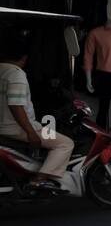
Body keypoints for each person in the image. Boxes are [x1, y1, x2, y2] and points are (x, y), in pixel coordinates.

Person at [0, 33, 74, 188]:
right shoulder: (16, 74)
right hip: (16, 128)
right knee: (65, 143)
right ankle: (39, 180)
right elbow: (16, 106)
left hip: (5, 126)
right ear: (25, 58)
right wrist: (30, 132)